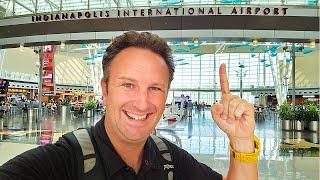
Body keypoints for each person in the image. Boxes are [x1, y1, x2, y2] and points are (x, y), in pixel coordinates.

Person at [0, 31, 258, 180]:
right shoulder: (63, 163)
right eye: (128, 85)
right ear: (105, 90)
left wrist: (242, 141)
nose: (142, 102)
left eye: (154, 88)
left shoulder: (170, 160)